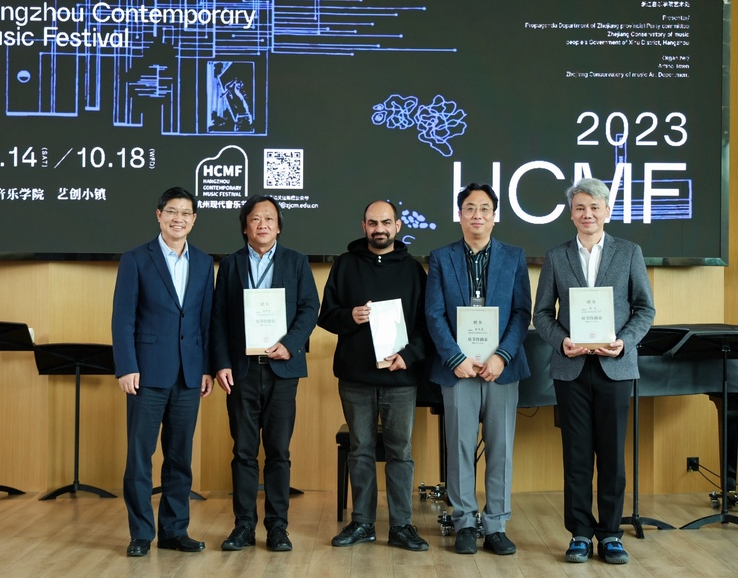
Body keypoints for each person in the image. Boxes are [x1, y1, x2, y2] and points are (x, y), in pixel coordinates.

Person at [533, 178, 655, 565]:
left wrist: (624, 341)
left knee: (612, 456)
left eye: (594, 207)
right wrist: (562, 341)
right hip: (571, 368)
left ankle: (611, 534)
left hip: (615, 366)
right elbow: (541, 314)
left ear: (607, 212)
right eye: (580, 208)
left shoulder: (629, 252)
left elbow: (645, 309)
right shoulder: (556, 256)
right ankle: (580, 534)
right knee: (577, 456)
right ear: (571, 214)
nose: (588, 214)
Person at [424, 183, 531, 556]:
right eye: (470, 208)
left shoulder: (514, 257)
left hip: (501, 368)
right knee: (460, 447)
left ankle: (496, 524)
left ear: (494, 216)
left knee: (501, 449)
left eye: (485, 209)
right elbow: (434, 313)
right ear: (460, 215)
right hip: (458, 369)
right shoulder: (441, 257)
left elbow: (521, 312)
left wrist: (502, 355)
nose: (477, 215)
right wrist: (455, 358)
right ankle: (465, 522)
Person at [318, 200, 431, 552]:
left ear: (397, 226)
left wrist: (408, 356)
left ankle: (401, 526)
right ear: (363, 226)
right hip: (356, 378)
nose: (378, 228)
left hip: (400, 378)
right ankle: (363, 523)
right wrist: (349, 316)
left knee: (401, 452)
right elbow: (326, 316)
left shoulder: (413, 271)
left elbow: (427, 326)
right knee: (360, 450)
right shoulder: (345, 264)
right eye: (372, 223)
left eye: (385, 222)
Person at [210, 194, 319, 553]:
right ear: (245, 227)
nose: (263, 224)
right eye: (256, 219)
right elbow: (219, 317)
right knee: (243, 451)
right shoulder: (231, 265)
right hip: (241, 372)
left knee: (278, 451)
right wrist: (221, 363)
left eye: (270, 219)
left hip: (282, 371)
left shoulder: (296, 262)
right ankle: (243, 526)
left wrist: (290, 343)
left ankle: (277, 527)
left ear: (279, 226)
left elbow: (310, 308)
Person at [112, 186, 214, 557]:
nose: (178, 219)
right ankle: (141, 533)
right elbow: (123, 318)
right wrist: (126, 366)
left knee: (179, 458)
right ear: (159, 215)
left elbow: (205, 320)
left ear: (194, 220)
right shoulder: (136, 259)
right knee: (140, 458)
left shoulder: (203, 262)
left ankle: (174, 531)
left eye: (186, 213)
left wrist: (206, 368)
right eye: (172, 211)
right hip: (146, 374)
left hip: (189, 375)